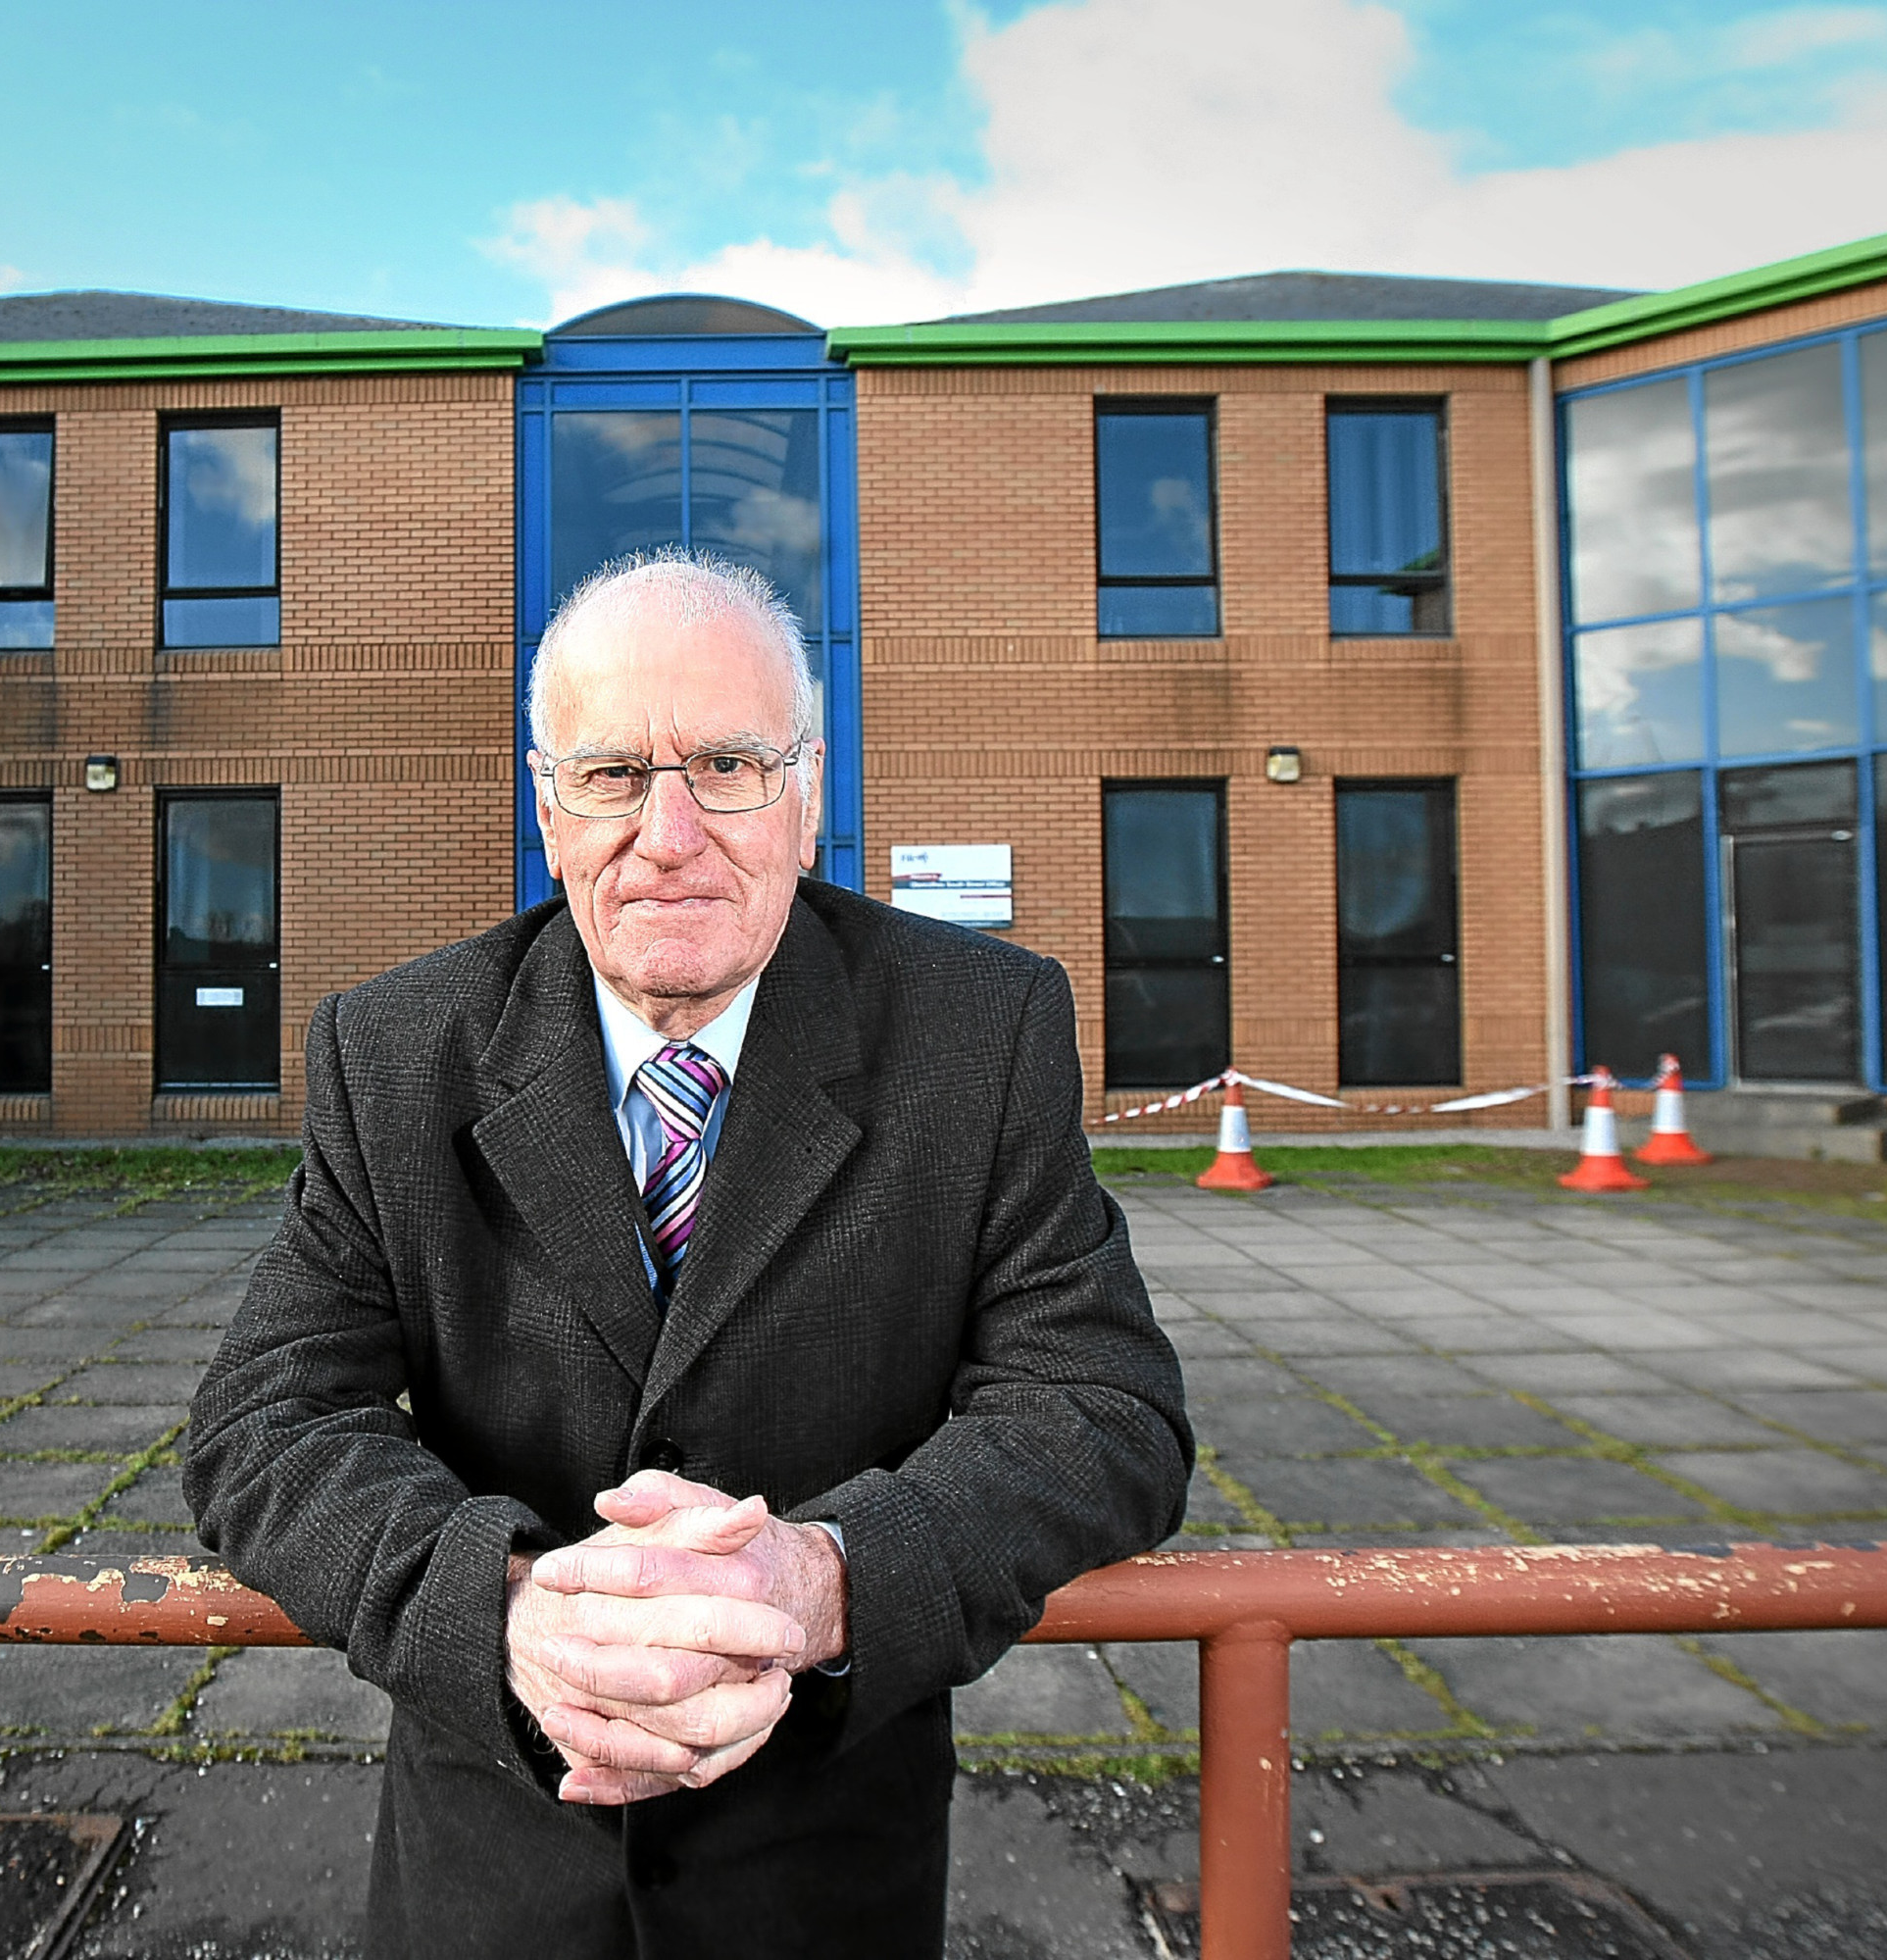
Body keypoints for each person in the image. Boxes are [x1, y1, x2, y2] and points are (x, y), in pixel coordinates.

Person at [181, 549, 1192, 1959]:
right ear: (548, 806)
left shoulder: (985, 1034)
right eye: (610, 775)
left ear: (811, 790)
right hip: (490, 1878)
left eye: (726, 763)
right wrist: (511, 1612)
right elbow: (263, 1426)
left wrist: (827, 1579)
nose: (669, 832)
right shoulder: (396, 1052)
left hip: (822, 1883)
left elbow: (1105, 1412)